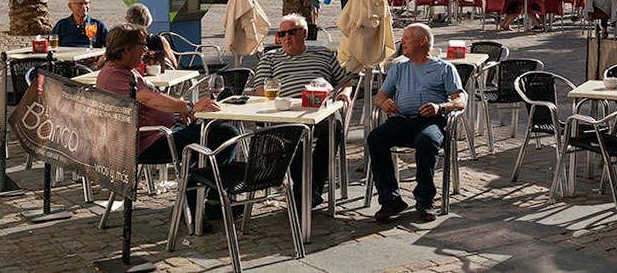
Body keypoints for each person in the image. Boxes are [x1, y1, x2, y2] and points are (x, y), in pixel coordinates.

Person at [94, 25, 237, 225]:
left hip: (161, 133)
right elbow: (148, 99)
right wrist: (188, 106)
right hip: (146, 141)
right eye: (141, 45)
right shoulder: (114, 75)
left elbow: (152, 100)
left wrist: (178, 110)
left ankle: (205, 202)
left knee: (220, 135)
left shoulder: (125, 71)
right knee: (224, 136)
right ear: (126, 49)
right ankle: (194, 206)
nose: (145, 50)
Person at [249, 13, 354, 206]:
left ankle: (309, 188)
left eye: (291, 32)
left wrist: (346, 93)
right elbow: (260, 91)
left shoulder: (323, 54)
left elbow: (345, 82)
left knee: (334, 129)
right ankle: (306, 191)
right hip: (284, 112)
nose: (286, 37)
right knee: (292, 135)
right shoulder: (270, 58)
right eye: (282, 33)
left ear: (304, 33)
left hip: (320, 109)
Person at [368, 23, 466, 223]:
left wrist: (441, 107)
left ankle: (424, 199)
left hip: (430, 120)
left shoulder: (444, 68)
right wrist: (384, 102)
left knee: (427, 140)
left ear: (422, 41)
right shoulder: (399, 67)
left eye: (406, 38)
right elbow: (380, 96)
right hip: (402, 120)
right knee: (376, 138)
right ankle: (390, 199)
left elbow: (460, 100)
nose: (402, 42)